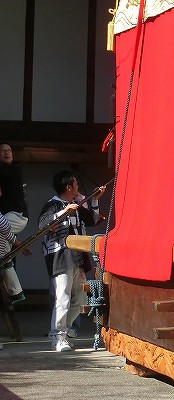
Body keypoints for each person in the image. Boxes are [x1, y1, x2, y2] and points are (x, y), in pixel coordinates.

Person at [38, 170, 102, 352]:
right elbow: (42, 224)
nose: (78, 187)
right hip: (60, 257)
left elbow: (93, 219)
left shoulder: (76, 205)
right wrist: (63, 212)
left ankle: (62, 332)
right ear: (69, 187)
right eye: (76, 184)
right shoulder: (53, 205)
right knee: (62, 297)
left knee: (81, 299)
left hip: (78, 258)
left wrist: (95, 199)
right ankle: (58, 336)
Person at [0, 143, 29, 303]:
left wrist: (17, 241)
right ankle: (16, 292)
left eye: (9, 150)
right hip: (7, 216)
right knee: (4, 256)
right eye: (3, 151)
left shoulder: (14, 169)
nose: (7, 153)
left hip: (18, 216)